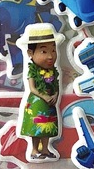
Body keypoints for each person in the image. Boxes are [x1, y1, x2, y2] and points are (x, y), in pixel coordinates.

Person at [18, 23, 64, 160]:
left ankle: (45, 149)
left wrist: (55, 95)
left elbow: (56, 85)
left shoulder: (53, 71)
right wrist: (44, 96)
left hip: (50, 103)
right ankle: (34, 150)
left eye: (53, 50)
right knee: (37, 126)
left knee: (47, 127)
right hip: (37, 103)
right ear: (30, 53)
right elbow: (32, 88)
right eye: (44, 52)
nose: (50, 56)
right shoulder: (33, 71)